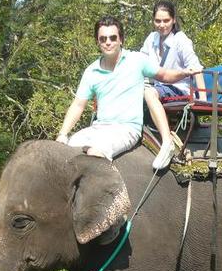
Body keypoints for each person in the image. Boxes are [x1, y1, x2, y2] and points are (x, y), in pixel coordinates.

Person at [57, 16, 202, 164]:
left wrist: (184, 72)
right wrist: (62, 134)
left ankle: (167, 144)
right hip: (98, 128)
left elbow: (164, 74)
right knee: (65, 151)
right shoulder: (91, 71)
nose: (108, 42)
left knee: (95, 153)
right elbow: (78, 105)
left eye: (113, 38)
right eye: (103, 39)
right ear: (97, 42)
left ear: (121, 40)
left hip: (126, 130)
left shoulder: (137, 60)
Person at [140, 1, 205, 170]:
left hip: (178, 88)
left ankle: (167, 141)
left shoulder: (181, 41)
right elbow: (139, 63)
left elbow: (196, 68)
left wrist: (203, 98)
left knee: (148, 92)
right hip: (158, 86)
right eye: (158, 21)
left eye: (166, 21)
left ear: (174, 20)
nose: (162, 25)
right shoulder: (151, 39)